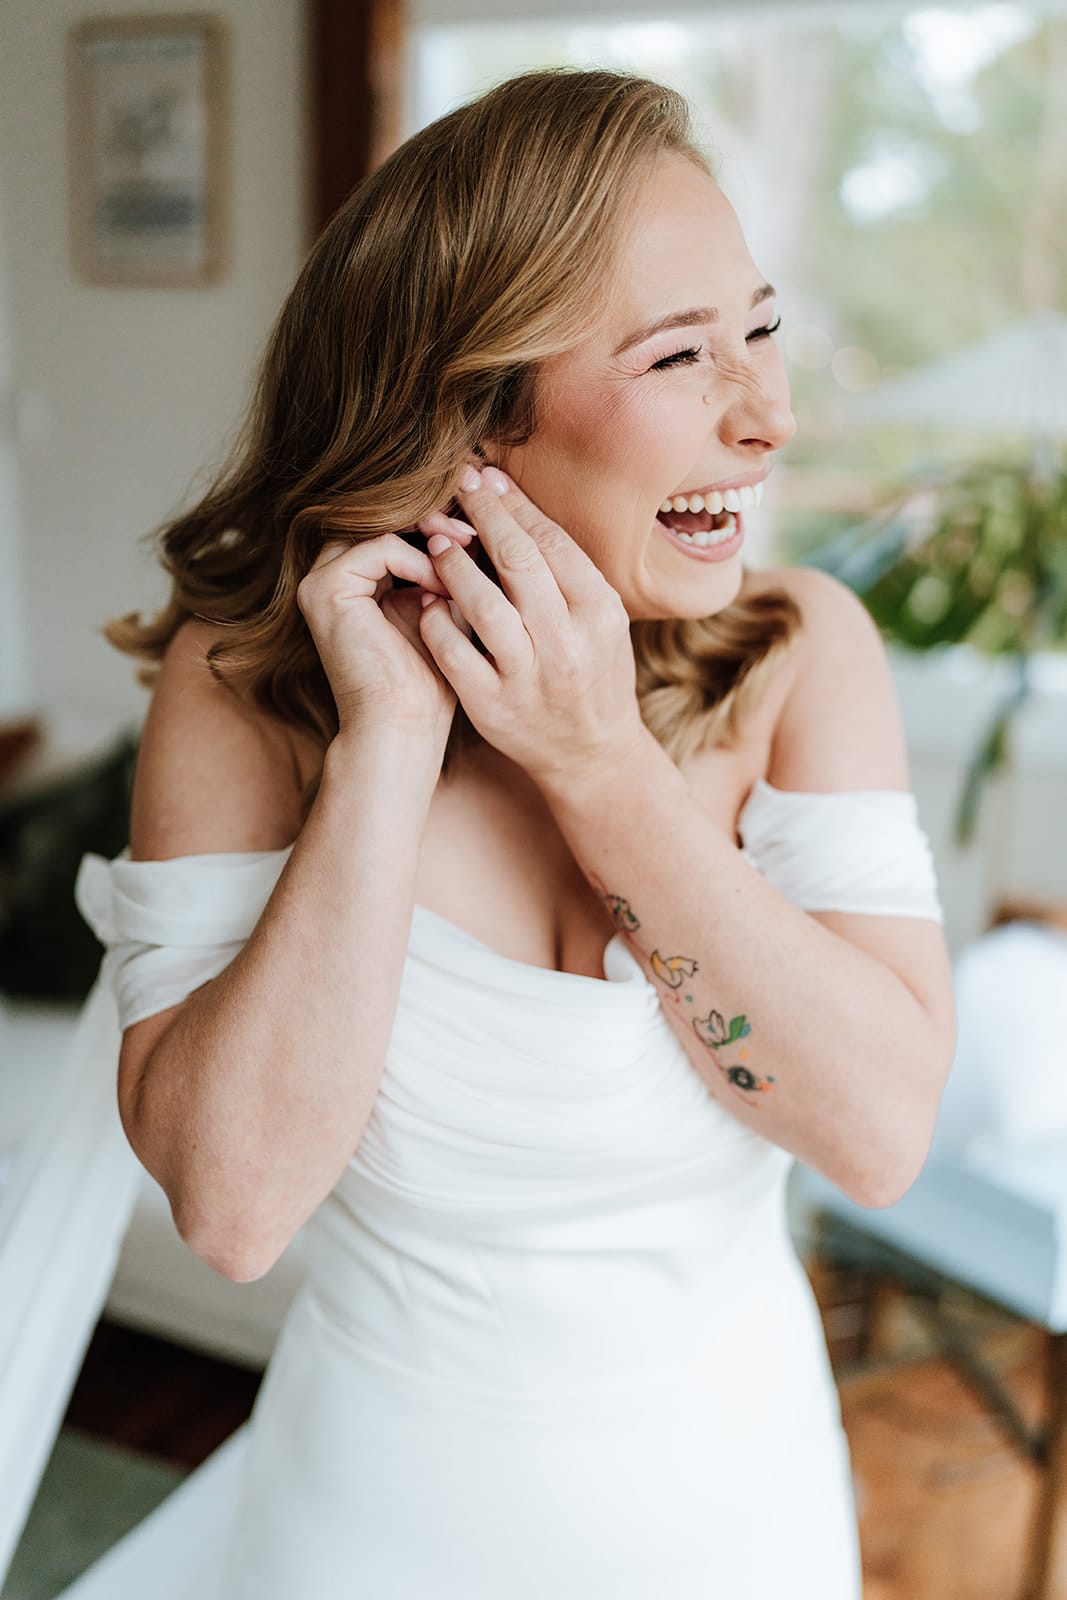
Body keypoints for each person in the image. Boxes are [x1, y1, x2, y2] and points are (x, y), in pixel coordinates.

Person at [74, 67, 956, 1599]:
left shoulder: (802, 653)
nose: (768, 415)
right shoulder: (245, 690)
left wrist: (600, 764)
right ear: (473, 416)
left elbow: (878, 1139)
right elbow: (233, 1208)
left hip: (744, 1521)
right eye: (680, 355)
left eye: (758, 329)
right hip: (368, 1538)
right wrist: (386, 750)